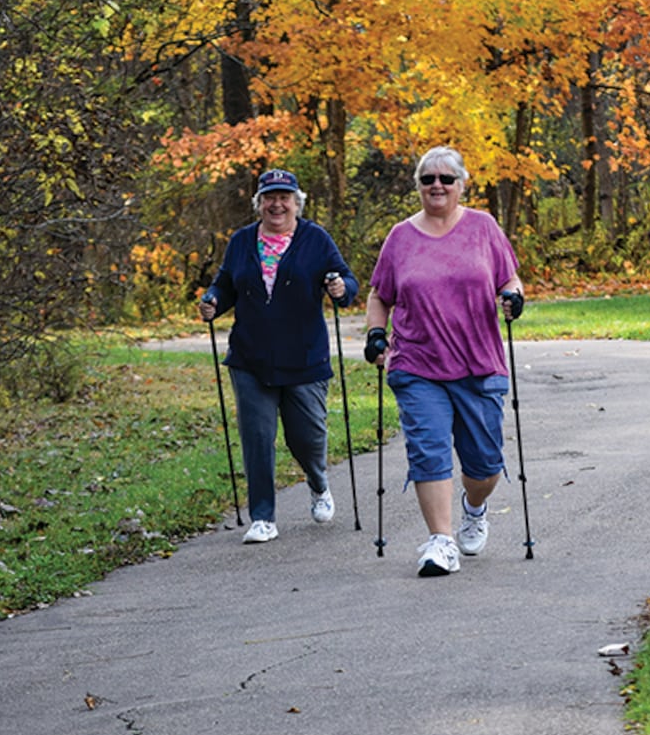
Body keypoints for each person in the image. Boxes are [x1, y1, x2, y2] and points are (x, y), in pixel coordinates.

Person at [363, 146, 525, 577]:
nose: (437, 185)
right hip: (417, 364)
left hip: (478, 363)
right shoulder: (400, 237)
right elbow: (380, 294)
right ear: (417, 186)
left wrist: (512, 297)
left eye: (446, 179)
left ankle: (475, 505)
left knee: (484, 463)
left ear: (461, 186)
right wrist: (377, 334)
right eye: (428, 179)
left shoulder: (483, 227)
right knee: (428, 450)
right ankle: (441, 541)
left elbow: (508, 277)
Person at [199, 168, 359, 544]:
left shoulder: (315, 239)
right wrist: (213, 301)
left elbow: (348, 283)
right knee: (257, 436)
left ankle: (318, 484)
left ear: (296, 202)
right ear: (259, 204)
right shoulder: (241, 241)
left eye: (284, 197)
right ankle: (263, 517)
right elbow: (224, 283)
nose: (277, 204)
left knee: (306, 437)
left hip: (305, 359)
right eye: (269, 197)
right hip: (250, 358)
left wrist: (339, 288)